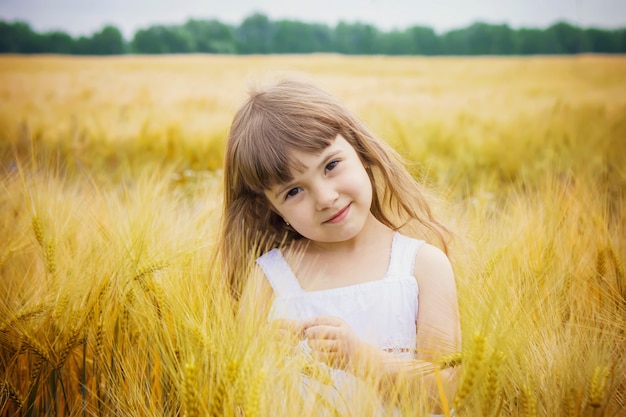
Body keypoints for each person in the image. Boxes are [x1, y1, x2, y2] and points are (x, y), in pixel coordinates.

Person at [218, 76, 461, 416]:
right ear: (272, 208)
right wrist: (262, 359)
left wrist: (361, 359)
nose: (326, 198)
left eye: (331, 166)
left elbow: (447, 390)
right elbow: (241, 395)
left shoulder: (423, 266)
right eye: (293, 191)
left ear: (360, 151)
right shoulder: (269, 279)